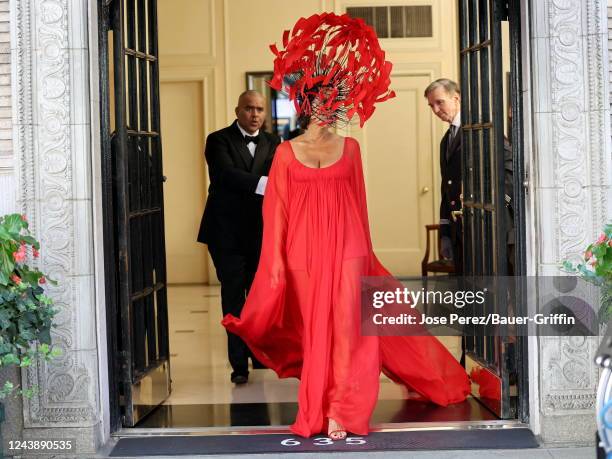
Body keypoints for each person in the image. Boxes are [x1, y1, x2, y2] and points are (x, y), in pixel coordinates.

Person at [222, 12, 470, 440]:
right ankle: (318, 407)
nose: (334, 106)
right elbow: (275, 213)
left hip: (350, 251)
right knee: (319, 334)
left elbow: (359, 209)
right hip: (303, 255)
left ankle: (343, 409)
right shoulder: (284, 153)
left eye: (338, 98)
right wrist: (275, 265)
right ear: (309, 102)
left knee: (351, 333)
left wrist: (368, 260)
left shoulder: (351, 149)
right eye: (326, 98)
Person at [197, 90, 280, 385]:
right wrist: (265, 184)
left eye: (259, 109)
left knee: (258, 296)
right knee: (233, 296)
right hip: (225, 232)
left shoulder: (273, 142)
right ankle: (238, 365)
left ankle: (257, 354)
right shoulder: (218, 139)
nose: (255, 114)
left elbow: (279, 178)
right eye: (249, 109)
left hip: (260, 231)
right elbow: (224, 175)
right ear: (237, 111)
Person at [425, 79, 463, 274]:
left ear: (456, 98)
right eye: (432, 105)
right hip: (456, 228)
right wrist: (445, 233)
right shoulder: (445, 141)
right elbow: (446, 190)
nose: (436, 109)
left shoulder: (479, 129)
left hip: (479, 226)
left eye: (440, 102)